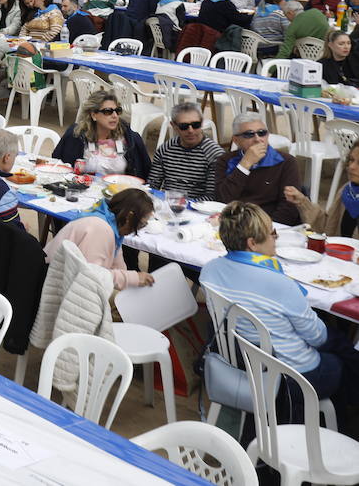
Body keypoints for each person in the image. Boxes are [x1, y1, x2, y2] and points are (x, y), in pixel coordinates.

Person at [199, 202, 358, 413]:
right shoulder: (280, 284)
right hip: (292, 376)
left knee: (336, 343)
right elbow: (316, 337)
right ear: (252, 243)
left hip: (240, 360)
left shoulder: (209, 271)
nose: (276, 237)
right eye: (272, 232)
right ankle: (334, 424)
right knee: (343, 354)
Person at [44, 189, 155, 290]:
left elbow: (118, 266)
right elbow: (89, 276)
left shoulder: (112, 224)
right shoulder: (100, 229)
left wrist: (131, 280)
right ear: (129, 217)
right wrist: (132, 278)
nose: (139, 229)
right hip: (51, 286)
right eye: (141, 224)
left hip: (62, 280)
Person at [216, 112, 301, 224]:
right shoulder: (225, 160)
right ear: (236, 140)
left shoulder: (286, 162)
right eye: (249, 134)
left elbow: (289, 207)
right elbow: (222, 200)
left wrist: (266, 229)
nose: (257, 139)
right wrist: (244, 165)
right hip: (235, 224)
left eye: (262, 133)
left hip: (270, 226)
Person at [51, 90, 151, 179]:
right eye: (108, 111)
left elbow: (144, 174)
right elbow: (58, 167)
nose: (115, 116)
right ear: (93, 115)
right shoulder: (75, 135)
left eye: (117, 111)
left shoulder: (131, 139)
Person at [147, 102, 224, 201]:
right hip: (167, 205)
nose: (190, 130)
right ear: (173, 126)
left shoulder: (214, 154)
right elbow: (152, 185)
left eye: (196, 125)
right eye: (184, 126)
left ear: (202, 123)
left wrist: (183, 204)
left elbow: (212, 196)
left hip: (199, 209)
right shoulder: (165, 149)